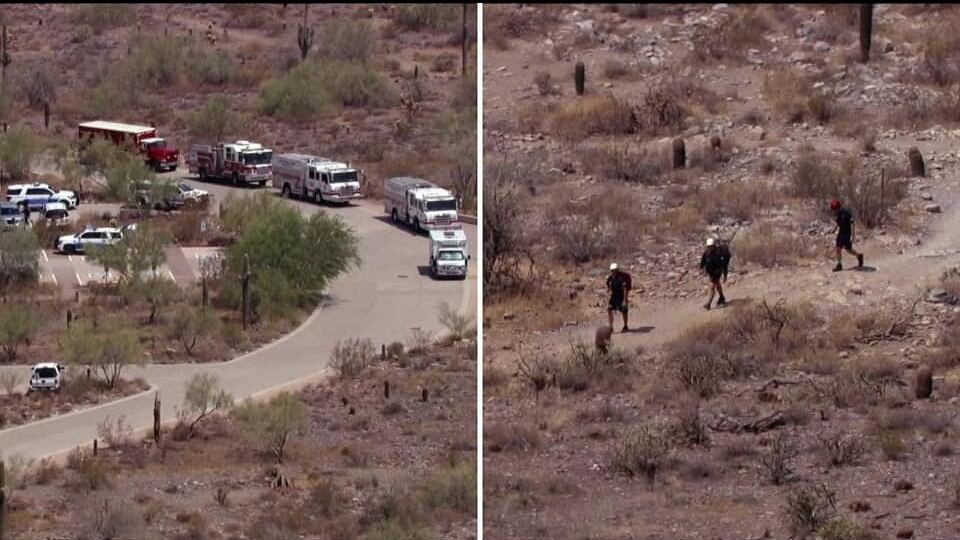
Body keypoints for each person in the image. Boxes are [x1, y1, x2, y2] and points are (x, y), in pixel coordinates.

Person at [831, 199, 864, 272]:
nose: (834, 211)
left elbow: (852, 224)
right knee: (838, 248)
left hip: (847, 233)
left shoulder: (846, 213)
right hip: (841, 233)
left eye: (835, 209)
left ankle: (859, 256)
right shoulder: (836, 214)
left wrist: (853, 235)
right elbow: (838, 223)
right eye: (833, 209)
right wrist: (834, 229)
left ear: (838, 208)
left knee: (848, 250)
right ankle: (839, 265)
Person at [700, 237, 730, 310]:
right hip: (710, 272)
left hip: (717, 272)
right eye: (708, 247)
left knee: (712, 286)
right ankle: (722, 297)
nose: (710, 248)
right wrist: (702, 269)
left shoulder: (718, 254)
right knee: (717, 284)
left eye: (711, 246)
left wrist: (725, 275)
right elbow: (703, 262)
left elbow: (724, 265)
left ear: (714, 246)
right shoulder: (706, 253)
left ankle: (708, 304)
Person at [606, 262, 632, 333]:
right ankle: (611, 327)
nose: (613, 272)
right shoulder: (610, 278)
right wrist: (608, 292)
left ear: (617, 270)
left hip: (621, 297)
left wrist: (624, 300)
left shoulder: (621, 278)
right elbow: (609, 286)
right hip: (614, 297)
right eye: (612, 270)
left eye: (614, 270)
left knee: (624, 311)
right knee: (609, 310)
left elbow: (625, 289)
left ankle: (625, 326)